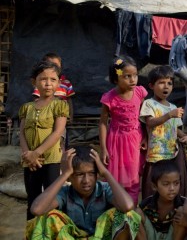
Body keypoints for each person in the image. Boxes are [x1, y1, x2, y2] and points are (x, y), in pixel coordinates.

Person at [25, 146, 140, 239]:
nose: (86, 181)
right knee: (46, 218)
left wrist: (105, 173)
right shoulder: (65, 193)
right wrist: (65, 174)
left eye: (91, 173)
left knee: (128, 216)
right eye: (80, 174)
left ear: (97, 174)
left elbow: (128, 206)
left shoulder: (104, 189)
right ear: (70, 177)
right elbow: (37, 210)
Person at [19, 60, 69, 220]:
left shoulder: (59, 105)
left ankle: (53, 232)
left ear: (59, 82)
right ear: (34, 82)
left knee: (51, 199)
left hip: (50, 160)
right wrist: (28, 154)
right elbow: (21, 132)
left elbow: (58, 132)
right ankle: (32, 233)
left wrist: (37, 153)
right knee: (32, 199)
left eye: (53, 79)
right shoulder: (27, 107)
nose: (48, 83)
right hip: (30, 161)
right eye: (43, 79)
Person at [140, 65, 187, 199]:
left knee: (172, 184)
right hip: (156, 154)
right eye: (161, 83)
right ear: (151, 86)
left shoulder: (173, 107)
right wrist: (169, 115)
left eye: (169, 83)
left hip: (172, 154)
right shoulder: (149, 104)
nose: (166, 86)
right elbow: (150, 122)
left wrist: (186, 136)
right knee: (153, 186)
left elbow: (174, 129)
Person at [99, 55, 148, 205]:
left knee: (133, 177)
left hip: (135, 139)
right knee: (115, 178)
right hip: (115, 141)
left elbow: (145, 116)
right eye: (127, 76)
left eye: (135, 75)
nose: (133, 80)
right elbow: (102, 123)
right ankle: (114, 210)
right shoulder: (109, 98)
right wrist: (103, 148)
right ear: (116, 79)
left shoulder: (140, 93)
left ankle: (131, 210)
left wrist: (145, 137)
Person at [136, 160, 187, 240]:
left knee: (182, 212)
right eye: (166, 184)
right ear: (154, 186)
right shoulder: (147, 204)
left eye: (176, 183)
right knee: (136, 213)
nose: (172, 188)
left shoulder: (184, 203)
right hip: (152, 236)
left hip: (173, 236)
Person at [32, 52, 75, 150]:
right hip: (46, 118)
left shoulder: (66, 83)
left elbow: (69, 100)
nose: (53, 67)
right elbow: (36, 100)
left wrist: (71, 115)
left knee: (61, 138)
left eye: (56, 65)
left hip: (61, 117)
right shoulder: (41, 83)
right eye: (50, 64)